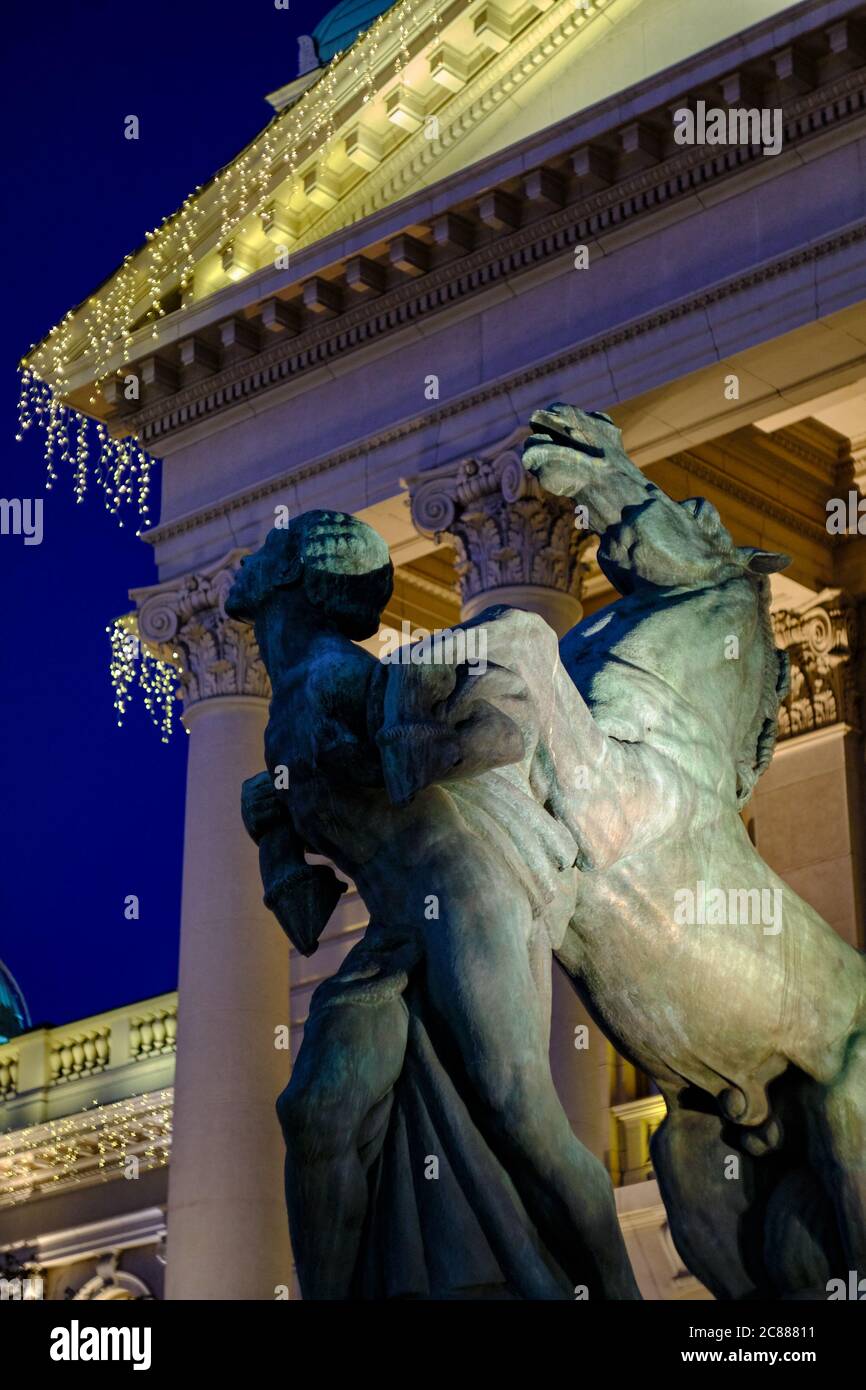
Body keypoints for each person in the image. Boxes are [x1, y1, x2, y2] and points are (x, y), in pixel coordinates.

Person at [226, 510, 640, 1301]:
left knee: (519, 1112)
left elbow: (464, 733)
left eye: (274, 548)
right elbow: (307, 923)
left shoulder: (337, 677)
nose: (253, 558)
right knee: (317, 1110)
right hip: (393, 932)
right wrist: (275, 832)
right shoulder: (289, 713)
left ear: (296, 579)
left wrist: (361, 753)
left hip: (465, 900)